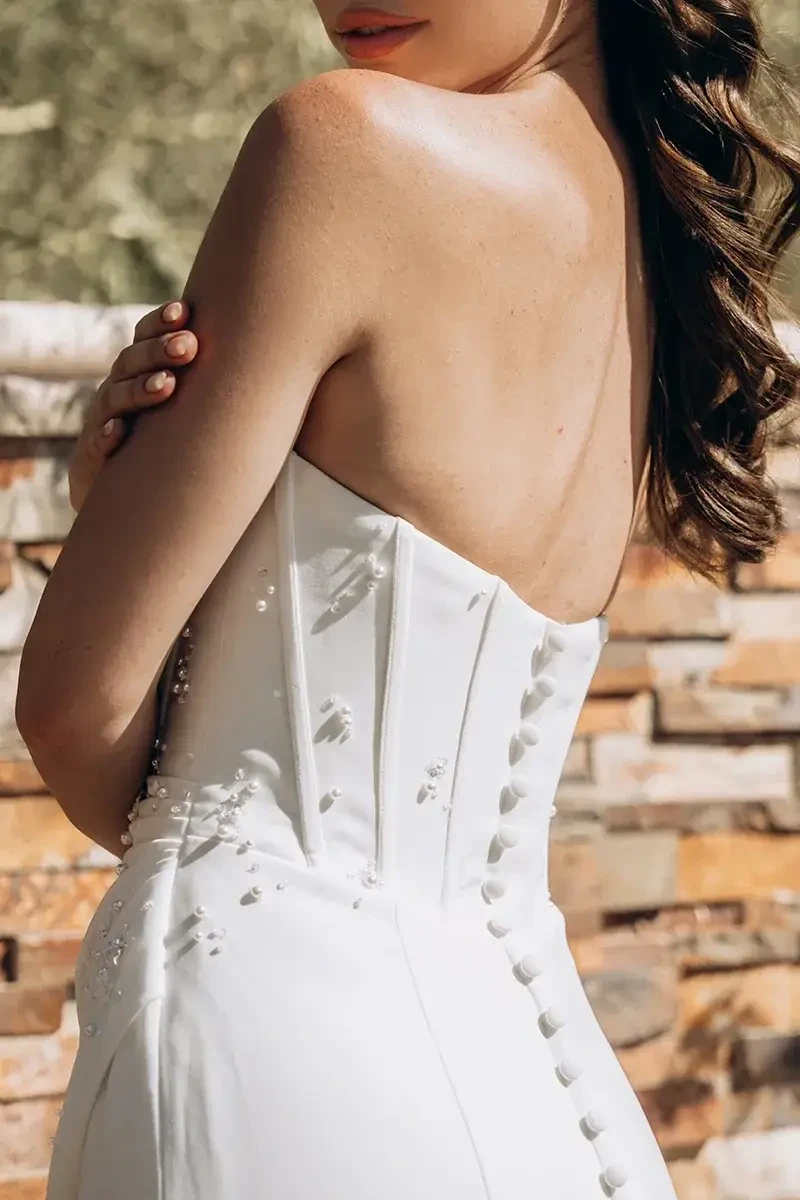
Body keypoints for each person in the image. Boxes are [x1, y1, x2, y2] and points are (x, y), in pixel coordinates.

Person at [16, 1, 800, 1197]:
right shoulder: (651, 251)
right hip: (537, 1085)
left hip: (269, 1054)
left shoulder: (342, 145)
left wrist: (116, 507)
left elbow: (75, 708)